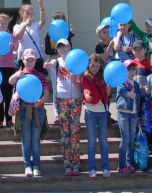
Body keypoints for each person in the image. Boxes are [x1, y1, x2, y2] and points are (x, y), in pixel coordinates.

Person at [8, 49, 49, 177]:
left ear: (35, 60)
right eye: (27, 60)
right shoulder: (20, 75)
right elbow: (10, 81)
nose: (30, 62)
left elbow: (47, 93)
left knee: (35, 139)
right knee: (26, 139)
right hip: (24, 109)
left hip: (37, 110)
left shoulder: (40, 76)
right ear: (23, 60)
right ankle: (27, 165)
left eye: (32, 60)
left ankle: (36, 165)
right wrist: (17, 75)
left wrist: (40, 102)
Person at [44, 39, 82, 175]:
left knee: (75, 130)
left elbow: (80, 83)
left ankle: (76, 163)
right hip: (62, 99)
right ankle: (67, 164)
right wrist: (48, 65)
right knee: (65, 131)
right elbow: (52, 63)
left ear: (69, 46)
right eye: (59, 47)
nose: (61, 49)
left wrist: (75, 82)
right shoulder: (58, 61)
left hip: (76, 99)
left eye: (63, 46)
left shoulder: (77, 60)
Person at [81, 54, 111, 178]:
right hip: (90, 112)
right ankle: (92, 168)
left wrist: (109, 92)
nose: (94, 68)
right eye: (92, 65)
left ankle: (106, 167)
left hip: (103, 112)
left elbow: (108, 97)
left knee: (103, 141)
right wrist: (87, 94)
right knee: (92, 141)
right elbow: (85, 88)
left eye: (97, 66)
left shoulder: (104, 77)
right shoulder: (85, 77)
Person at [44, 11, 75, 122]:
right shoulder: (49, 34)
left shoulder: (67, 33)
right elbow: (47, 50)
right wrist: (57, 50)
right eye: (54, 21)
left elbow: (70, 47)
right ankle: (57, 114)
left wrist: (71, 35)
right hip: (55, 61)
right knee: (56, 88)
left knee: (69, 85)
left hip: (67, 61)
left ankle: (70, 111)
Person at [116, 60, 141, 173]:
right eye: (129, 69)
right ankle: (121, 165)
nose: (131, 72)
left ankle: (129, 163)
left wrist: (139, 116)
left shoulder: (136, 84)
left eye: (133, 70)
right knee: (125, 139)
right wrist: (128, 94)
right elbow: (121, 91)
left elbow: (139, 100)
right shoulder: (121, 81)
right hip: (123, 113)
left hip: (134, 114)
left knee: (131, 139)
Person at [15, 0, 46, 69]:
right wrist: (25, 25)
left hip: (36, 57)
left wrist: (41, 6)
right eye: (27, 13)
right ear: (22, 14)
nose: (30, 16)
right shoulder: (18, 26)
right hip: (24, 58)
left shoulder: (35, 25)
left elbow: (43, 22)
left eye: (31, 13)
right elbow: (18, 36)